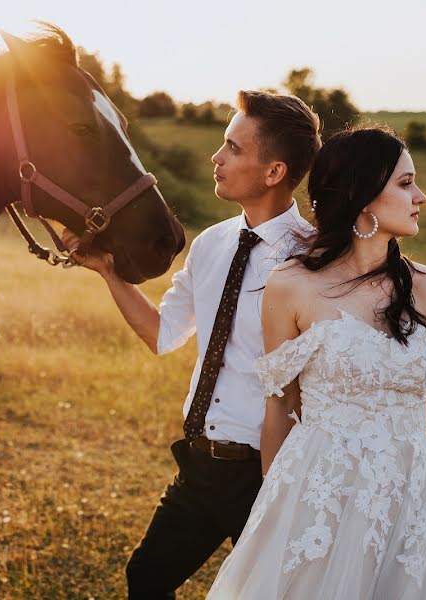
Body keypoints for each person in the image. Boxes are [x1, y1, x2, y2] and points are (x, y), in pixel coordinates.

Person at [63, 90, 321, 598]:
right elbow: (164, 334)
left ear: (274, 172)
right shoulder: (211, 244)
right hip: (201, 465)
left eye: (233, 148)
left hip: (270, 473)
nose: (216, 157)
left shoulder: (312, 261)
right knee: (146, 577)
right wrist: (110, 275)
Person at [207, 126, 426, 599]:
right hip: (318, 490)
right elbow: (280, 409)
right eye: (406, 184)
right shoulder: (292, 286)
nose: (421, 197)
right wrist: (278, 507)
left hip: (411, 491)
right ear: (363, 194)